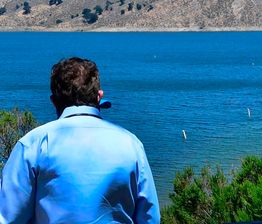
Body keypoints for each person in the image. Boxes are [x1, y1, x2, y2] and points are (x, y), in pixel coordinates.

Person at [0, 57, 160, 224]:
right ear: (99, 96)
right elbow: (149, 218)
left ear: (53, 101)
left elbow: (8, 217)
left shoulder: (33, 145)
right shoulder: (132, 144)